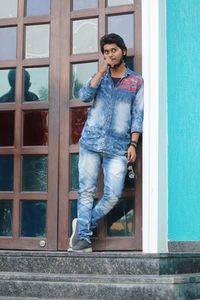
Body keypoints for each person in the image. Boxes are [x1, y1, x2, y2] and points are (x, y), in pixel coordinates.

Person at [68, 33, 144, 252]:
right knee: (86, 191)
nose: (110, 55)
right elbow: (84, 95)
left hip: (118, 147)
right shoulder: (99, 76)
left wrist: (134, 144)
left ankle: (83, 224)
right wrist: (101, 70)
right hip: (91, 142)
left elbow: (137, 114)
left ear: (123, 51)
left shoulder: (136, 81)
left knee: (113, 195)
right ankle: (83, 239)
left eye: (114, 50)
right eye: (106, 51)